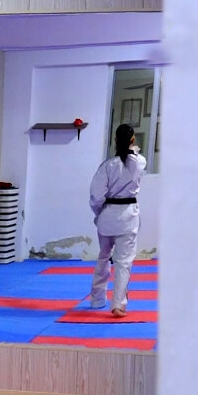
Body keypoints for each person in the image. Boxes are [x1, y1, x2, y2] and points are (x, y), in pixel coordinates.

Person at [88, 123, 147, 318]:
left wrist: (99, 214)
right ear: (132, 140)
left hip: (107, 216)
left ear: (115, 140)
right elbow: (136, 157)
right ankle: (118, 305)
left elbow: (96, 196)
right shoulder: (140, 162)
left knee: (103, 257)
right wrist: (133, 150)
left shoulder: (107, 165)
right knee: (123, 263)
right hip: (128, 217)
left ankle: (97, 299)